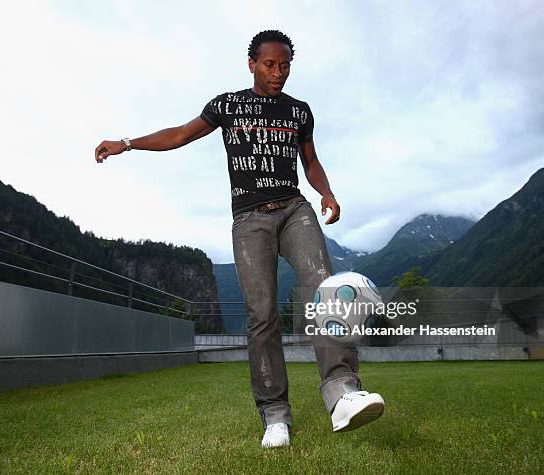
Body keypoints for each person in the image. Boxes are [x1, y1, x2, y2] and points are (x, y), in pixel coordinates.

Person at [94, 29, 384, 448]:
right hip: (250, 219)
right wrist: (127, 143)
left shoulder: (299, 111)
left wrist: (327, 193)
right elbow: (180, 135)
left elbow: (311, 160)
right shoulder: (228, 105)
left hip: (295, 208)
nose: (278, 73)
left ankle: (341, 393)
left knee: (324, 287)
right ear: (251, 63)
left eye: (285, 66)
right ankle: (275, 415)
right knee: (262, 314)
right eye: (270, 64)